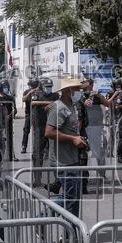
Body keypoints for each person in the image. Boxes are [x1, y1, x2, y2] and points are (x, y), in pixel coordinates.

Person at [44, 76, 89, 217]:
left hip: (73, 158)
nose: (80, 92)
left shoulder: (72, 107)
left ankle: (72, 232)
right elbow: (49, 132)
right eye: (77, 89)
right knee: (70, 197)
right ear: (68, 90)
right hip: (63, 161)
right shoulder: (58, 108)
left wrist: (79, 139)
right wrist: (72, 139)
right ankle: (43, 217)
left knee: (74, 199)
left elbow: (72, 130)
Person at [20, 77, 38, 154]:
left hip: (37, 115)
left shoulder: (39, 91)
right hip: (29, 114)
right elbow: (23, 99)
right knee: (26, 130)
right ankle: (24, 146)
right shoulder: (27, 91)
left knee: (37, 131)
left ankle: (38, 147)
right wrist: (30, 93)